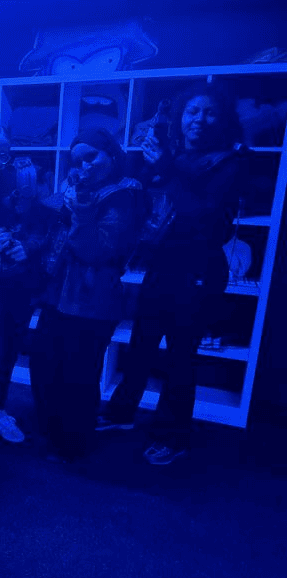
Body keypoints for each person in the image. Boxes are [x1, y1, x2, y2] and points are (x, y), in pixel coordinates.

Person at [96, 82, 246, 465]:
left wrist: (165, 168)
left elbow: (203, 217)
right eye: (192, 111)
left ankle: (173, 436)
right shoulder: (175, 154)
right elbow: (146, 193)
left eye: (209, 112)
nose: (199, 119)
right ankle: (121, 412)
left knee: (180, 358)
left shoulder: (230, 161)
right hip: (163, 265)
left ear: (223, 120)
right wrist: (149, 166)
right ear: (181, 117)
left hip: (198, 271)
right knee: (141, 345)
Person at [32, 128, 143, 463]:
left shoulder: (125, 194)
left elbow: (96, 250)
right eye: (77, 160)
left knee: (78, 376)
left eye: (91, 156)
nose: (84, 165)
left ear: (111, 154)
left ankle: (73, 444)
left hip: (92, 301)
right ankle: (53, 432)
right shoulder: (80, 189)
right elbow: (49, 219)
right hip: (58, 295)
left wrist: (79, 210)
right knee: (45, 365)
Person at [0, 125, 57, 450]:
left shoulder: (15, 179)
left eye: (3, 154)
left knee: (8, 353)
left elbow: (38, 223)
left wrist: (26, 248)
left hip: (15, 285)